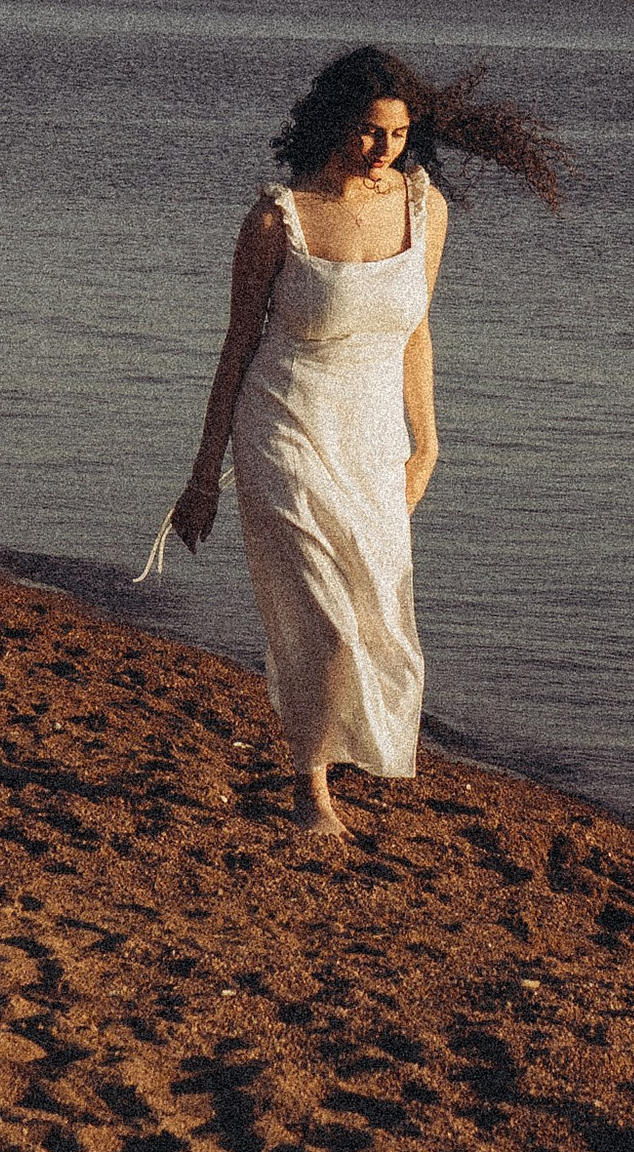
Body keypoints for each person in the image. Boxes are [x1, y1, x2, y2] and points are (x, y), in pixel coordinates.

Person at [162, 47, 564, 835]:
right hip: (284, 424)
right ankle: (310, 785)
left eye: (399, 134)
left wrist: (430, 442)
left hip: (376, 433)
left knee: (378, 608)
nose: (385, 150)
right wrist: (204, 473)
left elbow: (415, 334)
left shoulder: (425, 209)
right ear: (334, 123)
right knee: (324, 618)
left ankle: (331, 743)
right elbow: (238, 344)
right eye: (371, 132)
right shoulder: (278, 218)